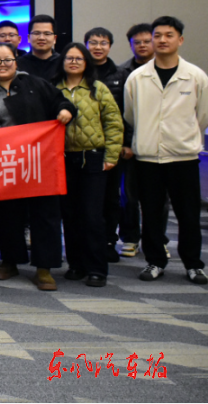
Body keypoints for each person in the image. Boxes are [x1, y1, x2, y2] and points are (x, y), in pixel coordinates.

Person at [124, 16, 208, 285]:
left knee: (189, 215)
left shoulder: (196, 76)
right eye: (158, 35)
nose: (162, 40)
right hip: (148, 157)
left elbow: (205, 116)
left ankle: (193, 264)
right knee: (151, 213)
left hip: (183, 156)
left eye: (169, 35)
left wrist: (182, 135)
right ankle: (155, 261)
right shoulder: (137, 77)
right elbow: (130, 115)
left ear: (180, 40)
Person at [0, 43, 75, 291]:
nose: (2, 65)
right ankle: (10, 261)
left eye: (7, 60)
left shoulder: (35, 84)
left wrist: (65, 110)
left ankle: (44, 268)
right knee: (8, 214)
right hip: (5, 161)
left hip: (39, 159)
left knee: (45, 213)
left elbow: (61, 102)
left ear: (16, 61)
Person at [56, 43, 124, 288]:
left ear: (86, 63)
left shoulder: (98, 88)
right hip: (63, 159)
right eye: (69, 58)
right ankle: (76, 265)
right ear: (62, 62)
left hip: (93, 158)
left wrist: (112, 155)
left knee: (92, 215)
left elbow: (113, 123)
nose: (73, 62)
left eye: (79, 58)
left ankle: (97, 268)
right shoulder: (54, 89)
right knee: (70, 215)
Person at [85, 26, 132, 264]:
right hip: (85, 147)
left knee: (111, 198)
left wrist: (126, 143)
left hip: (112, 146)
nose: (98, 47)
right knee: (87, 199)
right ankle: (87, 243)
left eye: (103, 43)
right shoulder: (80, 72)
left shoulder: (121, 75)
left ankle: (109, 241)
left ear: (110, 46)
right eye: (93, 43)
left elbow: (128, 112)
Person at [116, 23, 156, 257]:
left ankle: (157, 240)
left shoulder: (166, 70)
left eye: (146, 41)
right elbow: (122, 112)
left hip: (160, 145)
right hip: (130, 144)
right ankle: (130, 238)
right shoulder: (123, 72)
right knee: (129, 197)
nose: (142, 45)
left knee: (157, 198)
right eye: (137, 42)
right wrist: (127, 142)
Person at [15, 15, 62, 83]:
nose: (41, 38)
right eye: (36, 33)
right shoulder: (17, 65)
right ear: (29, 38)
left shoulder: (62, 64)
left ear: (54, 39)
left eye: (47, 34)